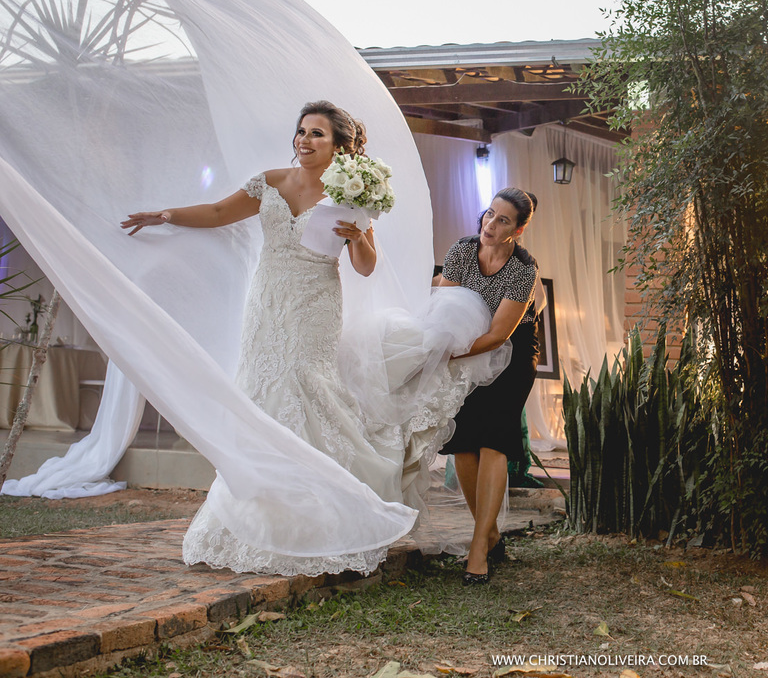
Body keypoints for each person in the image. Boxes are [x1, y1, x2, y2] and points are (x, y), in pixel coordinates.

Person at [121, 100, 407, 575]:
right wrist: (167, 214)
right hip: (268, 300)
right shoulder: (271, 180)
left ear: (339, 145)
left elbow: (366, 265)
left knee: (304, 384)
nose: (304, 140)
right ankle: (253, 515)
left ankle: (323, 514)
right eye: (301, 131)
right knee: (261, 387)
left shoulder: (354, 194)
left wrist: (357, 235)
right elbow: (217, 211)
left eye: (317, 133)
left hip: (316, 300)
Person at [438, 187, 540, 585]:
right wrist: (437, 350)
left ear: (518, 229)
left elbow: (499, 336)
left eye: (503, 221)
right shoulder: (462, 251)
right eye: (489, 214)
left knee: (494, 438)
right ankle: (490, 532)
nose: (490, 225)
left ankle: (478, 547)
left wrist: (450, 355)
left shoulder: (523, 270)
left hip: (511, 352)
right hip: (465, 348)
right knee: (463, 440)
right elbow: (443, 309)